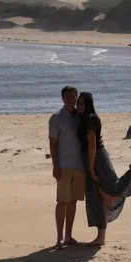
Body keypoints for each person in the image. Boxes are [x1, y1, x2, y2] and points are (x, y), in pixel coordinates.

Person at [77, 91, 131, 246]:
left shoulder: (90, 119)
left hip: (97, 159)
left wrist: (91, 168)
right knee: (100, 198)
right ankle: (101, 237)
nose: (78, 105)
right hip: (92, 158)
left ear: (87, 104)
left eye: (81, 103)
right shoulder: (84, 118)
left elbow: (92, 144)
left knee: (108, 193)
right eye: (77, 102)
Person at [48, 85, 86, 248]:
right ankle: (59, 237)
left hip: (79, 167)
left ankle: (69, 236)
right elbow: (53, 143)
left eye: (74, 97)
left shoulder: (80, 117)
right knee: (62, 201)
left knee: (73, 202)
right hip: (64, 166)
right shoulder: (56, 118)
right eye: (69, 97)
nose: (72, 100)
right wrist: (55, 166)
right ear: (63, 99)